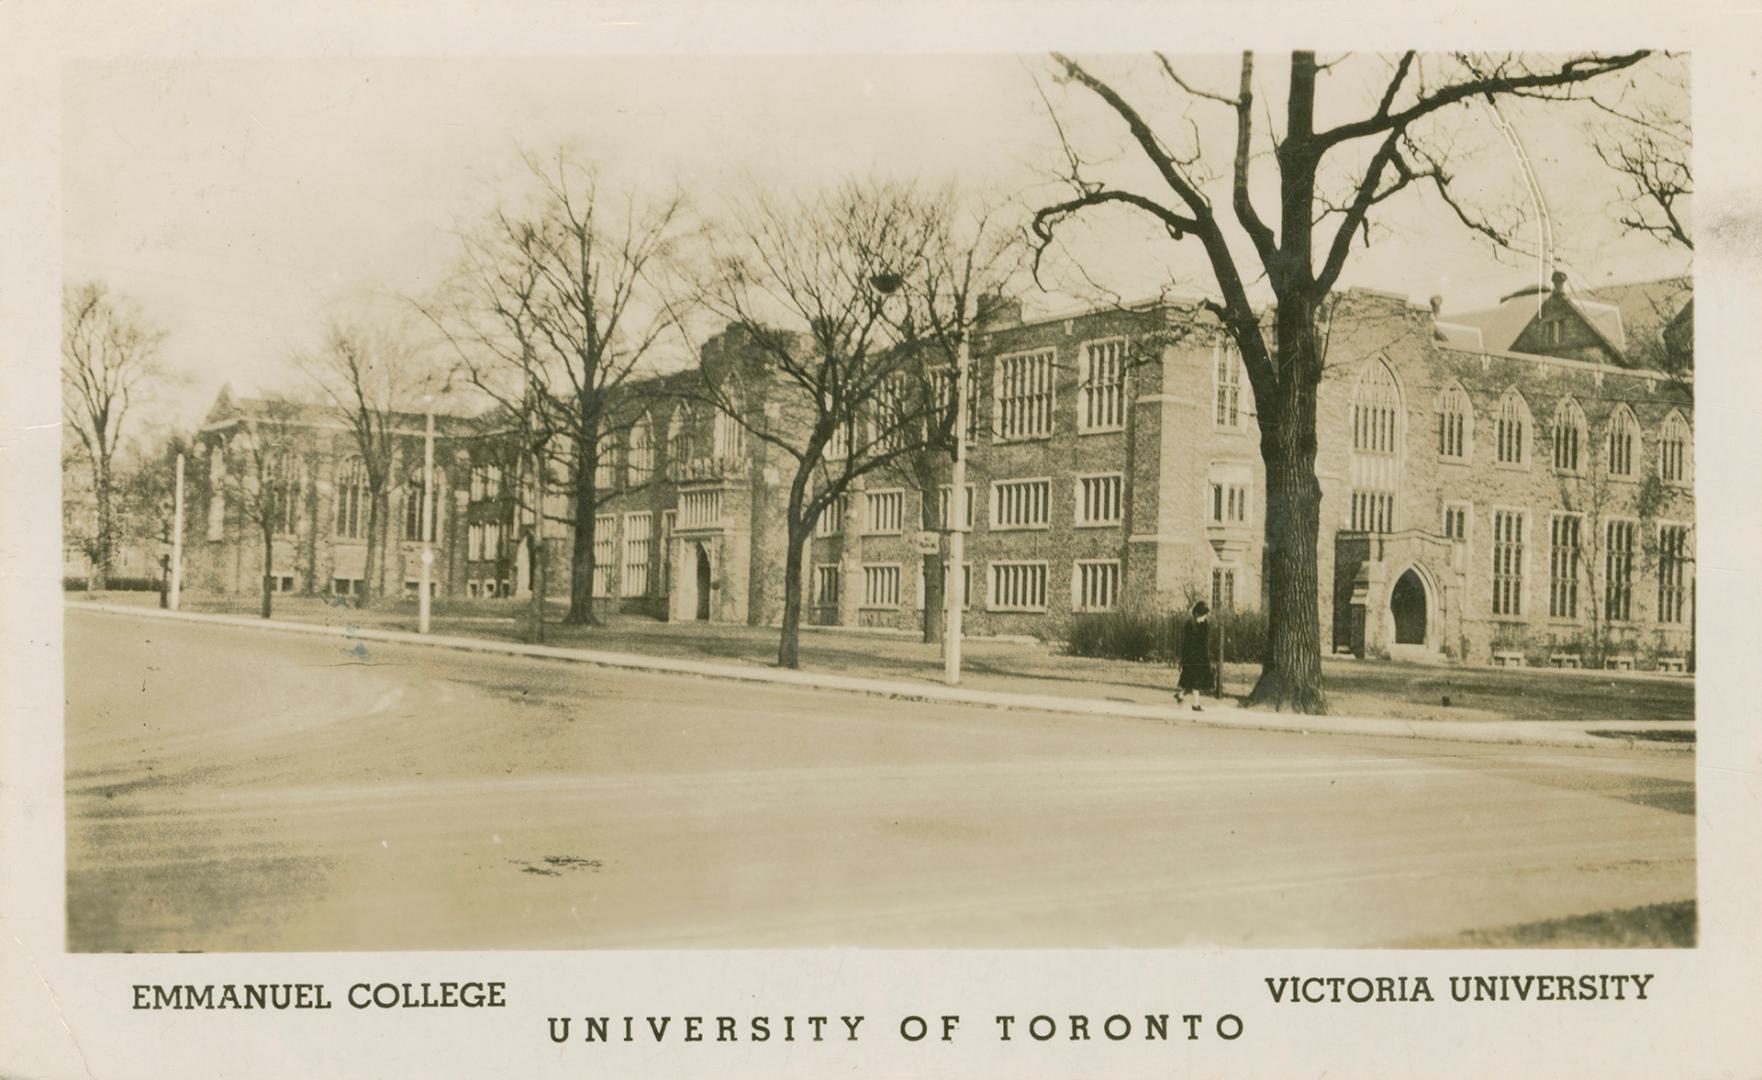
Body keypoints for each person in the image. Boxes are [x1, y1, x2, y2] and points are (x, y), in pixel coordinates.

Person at [1175, 601, 1213, 710]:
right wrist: (1184, 658)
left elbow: (1204, 641)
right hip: (1191, 657)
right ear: (1196, 615)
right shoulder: (1190, 625)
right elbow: (1187, 643)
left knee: (1192, 680)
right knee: (1195, 680)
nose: (1204, 618)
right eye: (1202, 615)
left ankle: (1181, 695)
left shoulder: (1204, 624)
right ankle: (1196, 704)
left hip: (1201, 656)